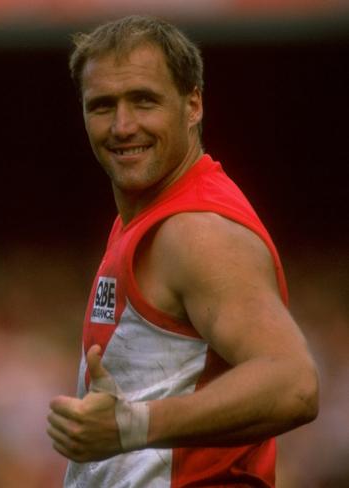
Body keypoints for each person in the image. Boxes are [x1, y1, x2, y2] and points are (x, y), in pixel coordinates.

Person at [46, 15, 319, 487]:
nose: (122, 126)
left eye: (144, 101)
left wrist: (134, 425)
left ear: (193, 104)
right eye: (102, 106)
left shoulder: (195, 230)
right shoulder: (145, 219)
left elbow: (293, 384)